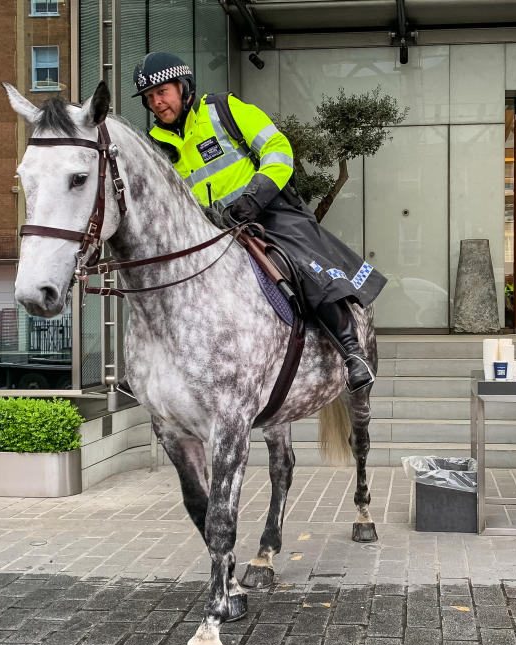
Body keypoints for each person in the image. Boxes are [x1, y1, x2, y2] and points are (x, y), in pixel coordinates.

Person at [132, 52, 386, 392]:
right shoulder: (158, 145)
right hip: (210, 231)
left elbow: (278, 149)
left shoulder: (223, 109)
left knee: (304, 265)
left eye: (161, 92)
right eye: (149, 98)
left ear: (184, 87)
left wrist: (253, 197)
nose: (156, 103)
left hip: (266, 212)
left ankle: (351, 353)